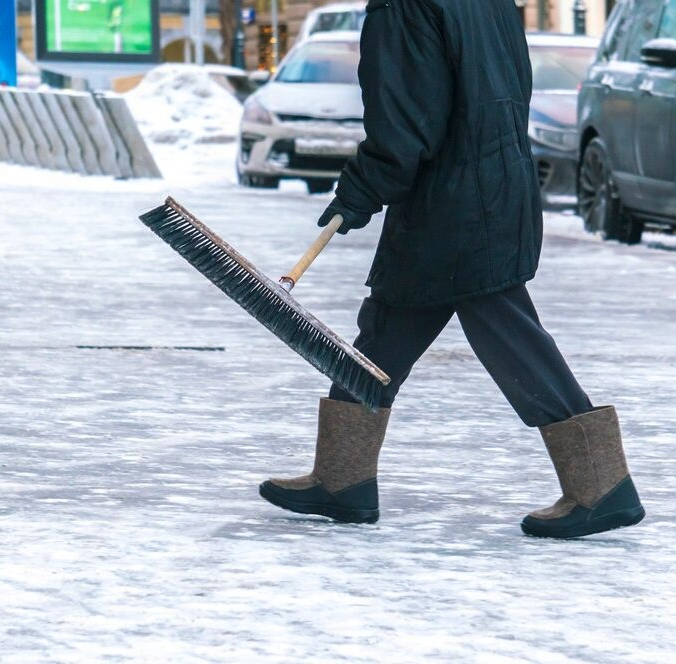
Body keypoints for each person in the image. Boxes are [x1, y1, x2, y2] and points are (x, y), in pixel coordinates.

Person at [258, 0, 646, 538]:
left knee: (509, 333)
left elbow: (407, 122)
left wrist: (360, 190)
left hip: (455, 204)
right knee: (388, 328)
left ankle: (601, 485)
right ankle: (341, 479)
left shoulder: (404, 6)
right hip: (490, 187)